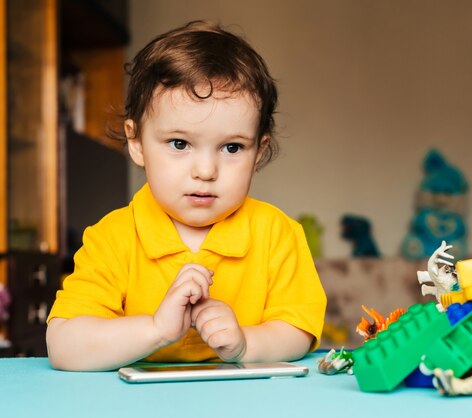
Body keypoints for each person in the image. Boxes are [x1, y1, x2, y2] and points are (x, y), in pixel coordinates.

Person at [46, 21, 327, 371]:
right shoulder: (112, 238)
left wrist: (244, 343)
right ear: (136, 142)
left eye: (232, 147)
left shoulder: (278, 234)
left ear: (259, 151)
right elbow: (64, 345)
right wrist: (155, 330)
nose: (206, 170)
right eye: (179, 143)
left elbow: (297, 331)